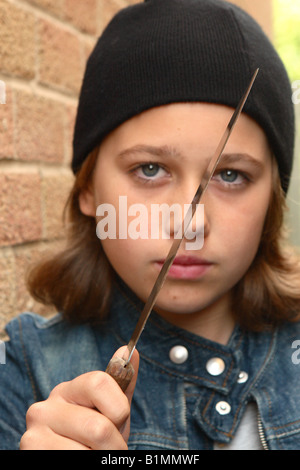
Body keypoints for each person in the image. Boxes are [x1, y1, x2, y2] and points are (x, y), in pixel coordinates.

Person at [1, 0, 300, 451]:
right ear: (87, 190)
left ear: (272, 201)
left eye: (230, 175)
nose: (189, 223)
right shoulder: (22, 373)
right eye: (149, 169)